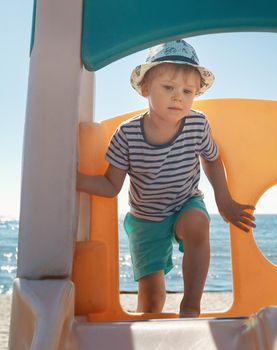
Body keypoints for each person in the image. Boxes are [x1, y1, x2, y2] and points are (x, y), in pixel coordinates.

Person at [77, 40, 256, 318]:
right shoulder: (127, 134)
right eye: (168, 88)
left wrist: (224, 200)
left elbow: (211, 157)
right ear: (145, 88)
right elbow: (111, 186)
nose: (179, 97)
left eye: (188, 91)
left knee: (198, 223)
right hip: (146, 218)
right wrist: (73, 179)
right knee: (151, 301)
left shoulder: (197, 123)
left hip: (185, 203)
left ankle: (191, 306)